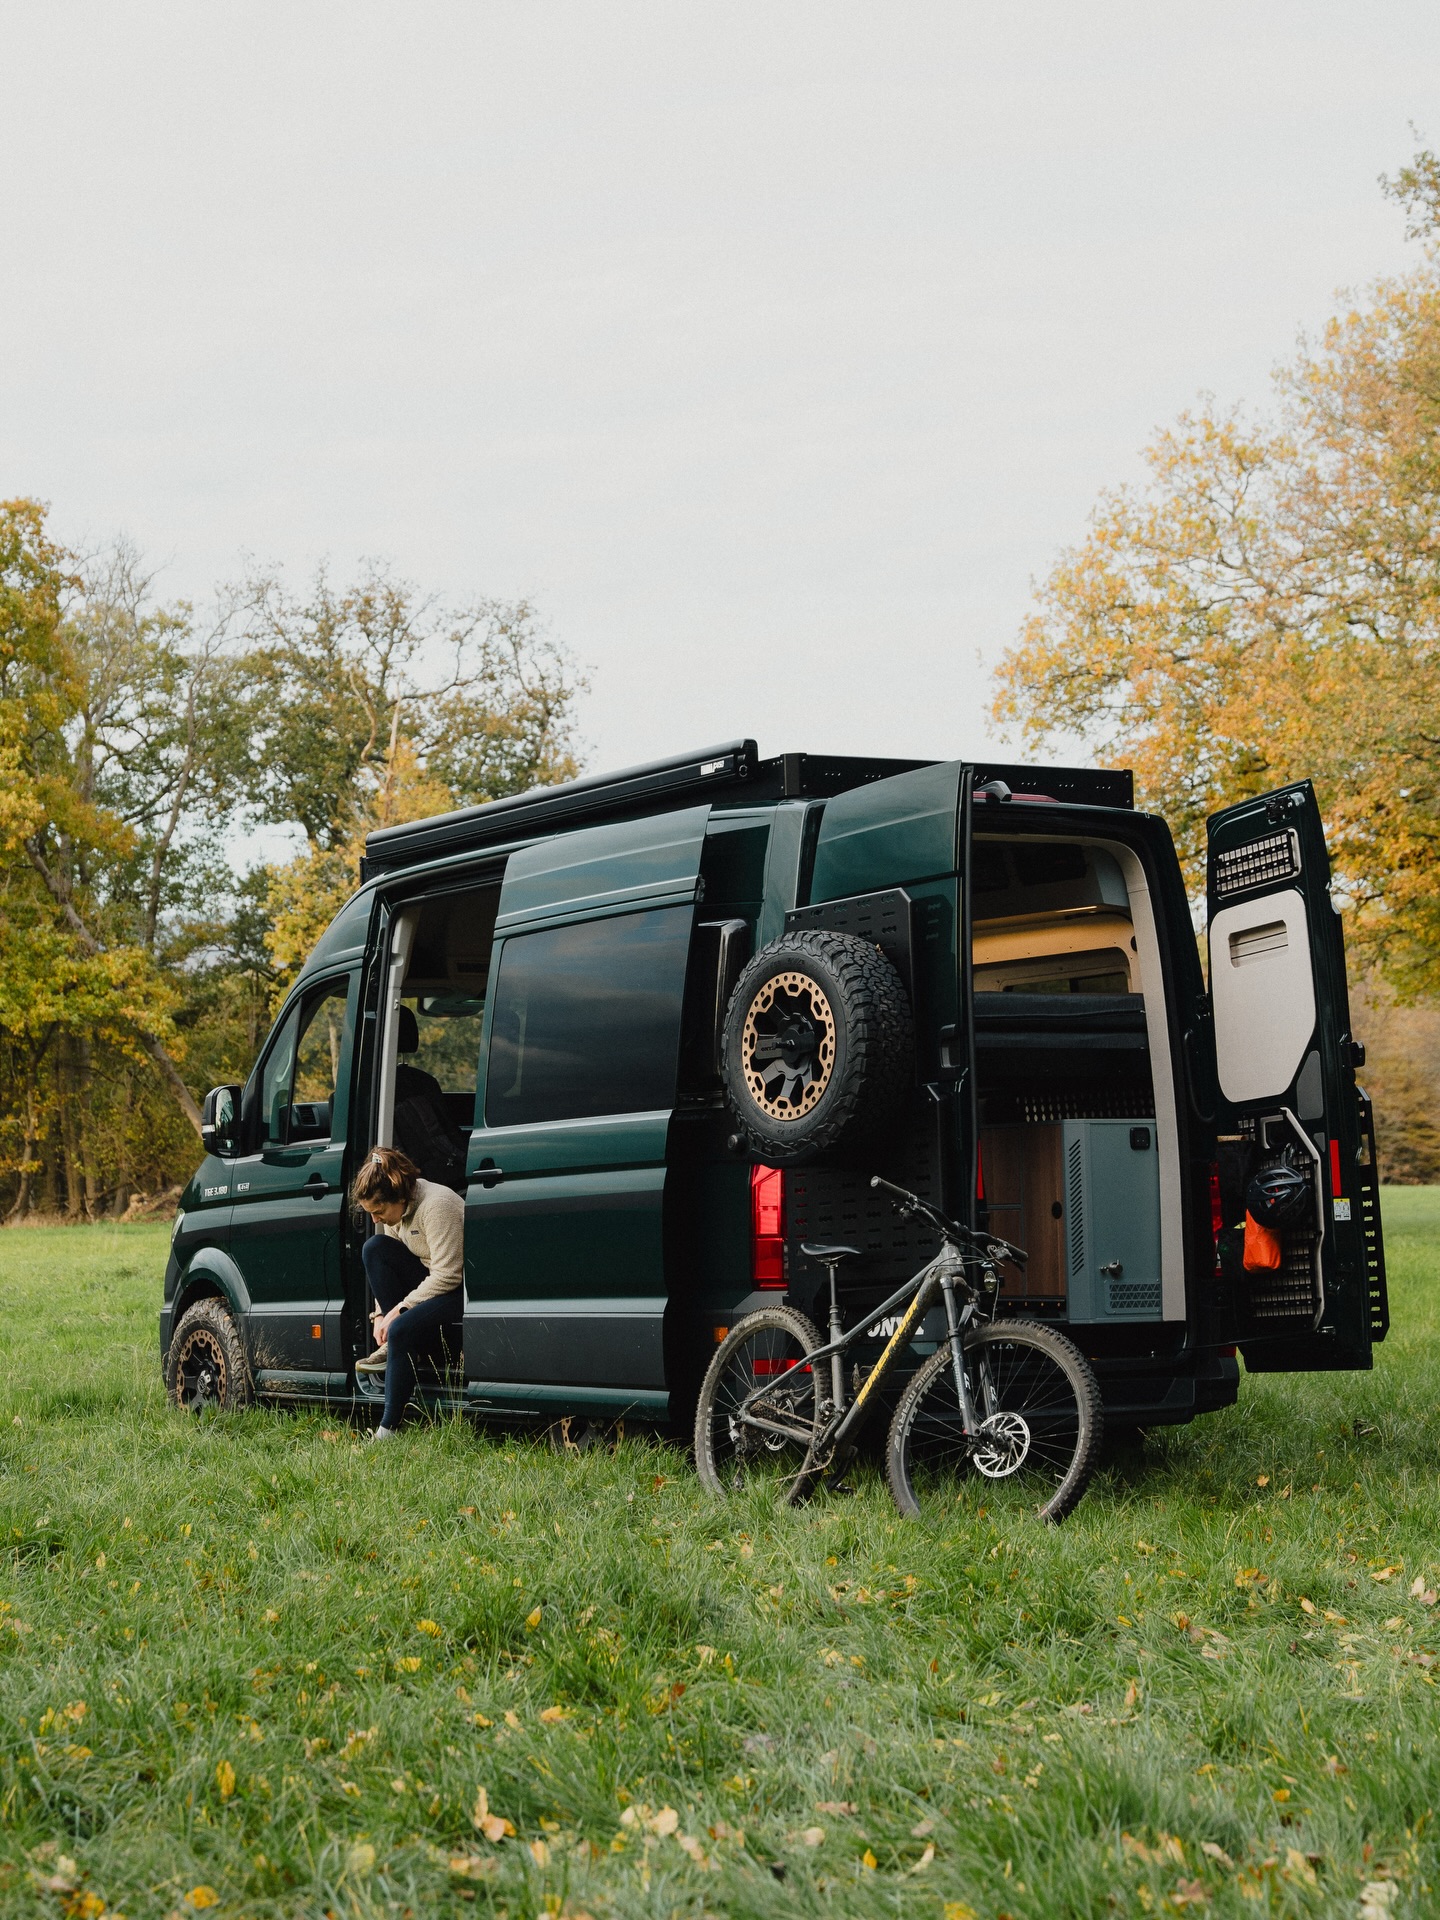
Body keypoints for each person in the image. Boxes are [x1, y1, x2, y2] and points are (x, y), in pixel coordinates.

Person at [350, 1145, 465, 1440]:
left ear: (399, 1197)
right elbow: (389, 1260)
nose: (375, 1220)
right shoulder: (397, 1214)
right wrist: (379, 1315)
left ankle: (388, 1431)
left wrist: (400, 1311)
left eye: (378, 1211)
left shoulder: (437, 1206)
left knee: (400, 1327)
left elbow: (449, 1275)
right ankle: (398, 1342)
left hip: (457, 1291)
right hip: (429, 1287)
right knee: (374, 1248)